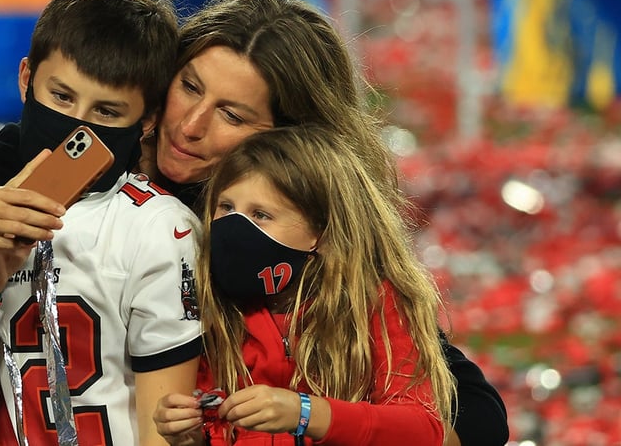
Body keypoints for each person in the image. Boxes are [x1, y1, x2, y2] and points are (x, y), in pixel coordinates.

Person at [0, 0, 508, 446]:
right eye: (189, 86)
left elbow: (474, 414)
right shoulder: (82, 151)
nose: (190, 126)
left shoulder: (284, 228)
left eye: (233, 116)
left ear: (285, 142)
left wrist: (310, 411)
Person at [0, 0, 202, 446]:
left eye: (106, 111)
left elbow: (160, 429)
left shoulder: (158, 227)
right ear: (26, 79)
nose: (75, 125)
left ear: (145, 122)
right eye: (61, 97)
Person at [153, 124, 455, 445]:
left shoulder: (376, 300)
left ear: (321, 233)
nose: (233, 226)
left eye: (261, 215)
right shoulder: (208, 301)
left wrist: (307, 413)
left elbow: (425, 430)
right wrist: (190, 437)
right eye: (226, 208)